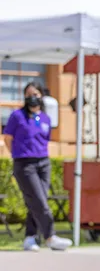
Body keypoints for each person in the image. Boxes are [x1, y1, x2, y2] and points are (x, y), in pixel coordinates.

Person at [2, 82, 73, 251]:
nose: (32, 97)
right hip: (25, 163)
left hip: (43, 162)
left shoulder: (45, 118)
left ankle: (30, 237)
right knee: (40, 201)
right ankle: (50, 236)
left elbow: (45, 139)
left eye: (35, 94)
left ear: (42, 96)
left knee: (36, 201)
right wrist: (17, 155)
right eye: (28, 94)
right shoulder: (17, 116)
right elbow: (7, 138)